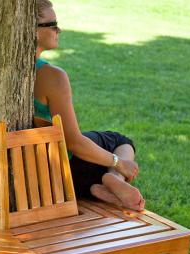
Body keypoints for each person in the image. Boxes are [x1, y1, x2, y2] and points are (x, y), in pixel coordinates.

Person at [35, 0, 145, 211]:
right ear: (32, 31)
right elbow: (74, 142)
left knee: (98, 146)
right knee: (120, 141)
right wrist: (118, 163)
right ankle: (114, 178)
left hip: (32, 175)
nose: (59, 29)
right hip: (62, 177)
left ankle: (102, 186)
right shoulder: (51, 76)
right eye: (52, 24)